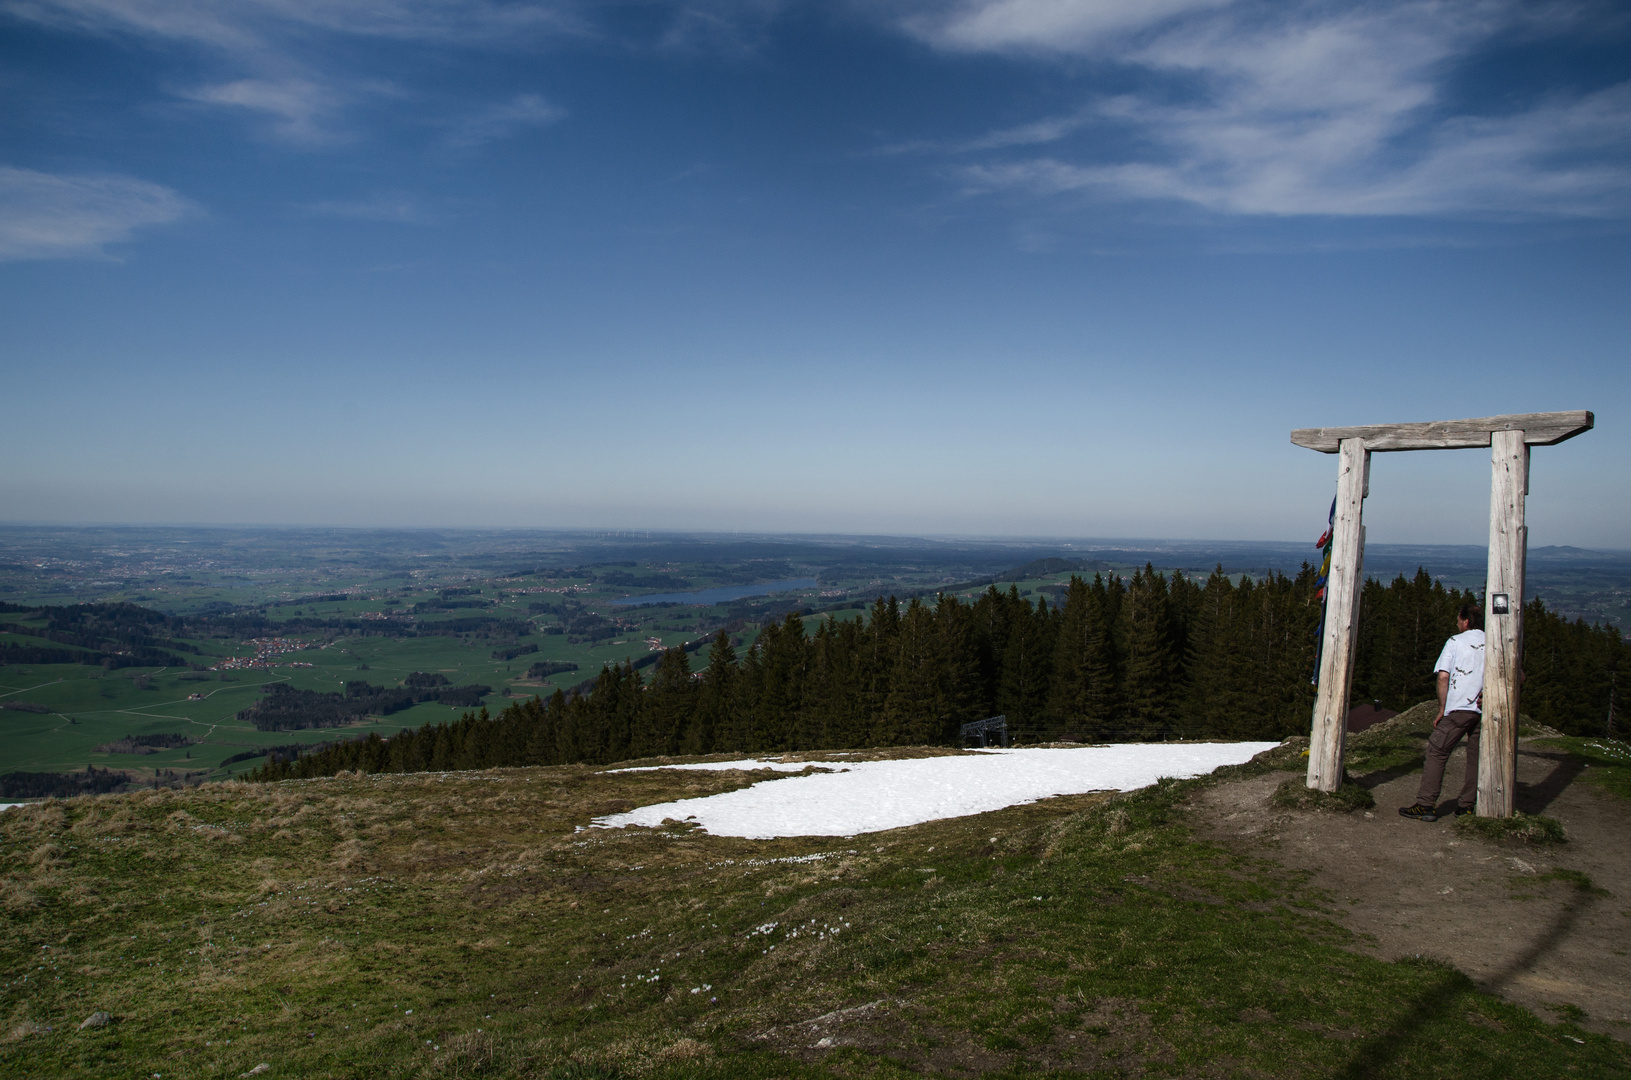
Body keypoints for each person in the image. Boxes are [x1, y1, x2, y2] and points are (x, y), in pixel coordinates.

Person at [1399, 602, 1486, 822]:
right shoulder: (1494, 642)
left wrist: (1442, 708)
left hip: (1459, 708)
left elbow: (1443, 677)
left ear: (1465, 621)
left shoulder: (1455, 642)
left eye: (1458, 620)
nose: (1457, 624)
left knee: (1437, 750)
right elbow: (1519, 675)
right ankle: (1467, 806)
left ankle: (1426, 804)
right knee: (1476, 757)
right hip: (1485, 710)